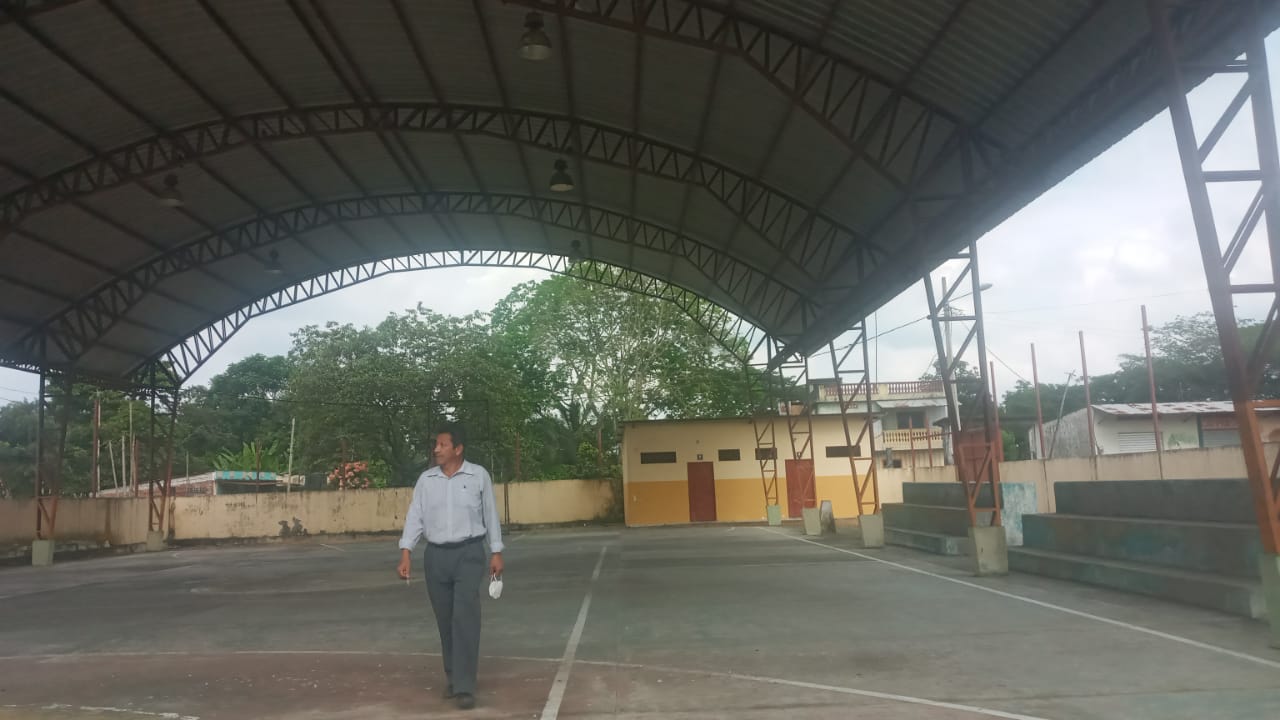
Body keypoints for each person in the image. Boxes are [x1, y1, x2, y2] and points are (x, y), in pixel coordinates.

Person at [397, 424, 504, 711]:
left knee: (465, 617)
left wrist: (496, 551)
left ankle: (465, 686)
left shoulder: (478, 476)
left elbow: (490, 514)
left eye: (442, 445)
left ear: (458, 449)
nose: (436, 449)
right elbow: (415, 516)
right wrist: (406, 552)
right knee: (445, 619)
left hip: (469, 553)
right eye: (436, 444)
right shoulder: (426, 480)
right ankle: (454, 677)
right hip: (435, 556)